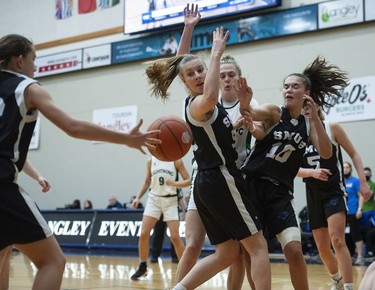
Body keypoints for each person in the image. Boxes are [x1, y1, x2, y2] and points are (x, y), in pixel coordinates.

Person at [0, 34, 160, 290]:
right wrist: (126, 139)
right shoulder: (27, 88)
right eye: (33, 59)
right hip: (3, 187)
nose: (35, 67)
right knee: (53, 261)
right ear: (20, 61)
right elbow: (73, 127)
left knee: (3, 255)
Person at [145, 20, 271, 290]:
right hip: (220, 177)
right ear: (185, 81)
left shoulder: (195, 100)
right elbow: (210, 94)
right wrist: (214, 53)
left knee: (227, 253)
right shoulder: (202, 103)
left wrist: (188, 29)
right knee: (258, 246)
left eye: (201, 70)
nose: (199, 76)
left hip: (207, 181)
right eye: (192, 74)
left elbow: (182, 64)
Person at [239, 56, 341, 290]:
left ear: (306, 92)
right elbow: (254, 115)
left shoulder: (308, 124)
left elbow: (326, 153)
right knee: (252, 252)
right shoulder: (275, 113)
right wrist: (245, 105)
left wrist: (315, 118)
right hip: (252, 186)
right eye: (286, 86)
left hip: (280, 193)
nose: (289, 90)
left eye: (295, 86)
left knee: (294, 251)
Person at [297, 95, 371, 289]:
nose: (306, 108)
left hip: (333, 191)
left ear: (317, 104)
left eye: (309, 104)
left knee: (337, 239)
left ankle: (348, 286)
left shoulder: (332, 127)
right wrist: (310, 172)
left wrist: (363, 183)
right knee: (322, 249)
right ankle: (337, 279)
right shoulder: (297, 134)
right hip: (312, 194)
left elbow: (354, 154)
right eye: (302, 105)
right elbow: (290, 169)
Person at [130, 156, 190, 281]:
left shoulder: (176, 160)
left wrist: (175, 183)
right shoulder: (151, 161)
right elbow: (147, 181)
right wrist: (138, 197)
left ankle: (187, 270)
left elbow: (188, 180)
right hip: (154, 199)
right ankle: (142, 267)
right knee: (144, 233)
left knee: (175, 237)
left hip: (171, 200)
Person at [0, 159, 51, 290]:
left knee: (5, 251)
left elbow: (19, 156)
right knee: (53, 261)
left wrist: (38, 176)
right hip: (6, 193)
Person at [150, 191, 186, 264]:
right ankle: (155, 256)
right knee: (158, 234)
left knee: (174, 236)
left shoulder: (175, 185)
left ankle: (175, 257)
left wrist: (183, 211)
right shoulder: (157, 185)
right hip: (160, 212)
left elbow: (180, 199)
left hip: (172, 211)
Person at [344, 161, 366, 266]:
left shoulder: (355, 181)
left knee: (355, 234)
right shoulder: (340, 181)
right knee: (341, 235)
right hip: (342, 212)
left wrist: (360, 209)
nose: (345, 169)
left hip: (353, 211)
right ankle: (344, 256)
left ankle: (360, 256)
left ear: (350, 169)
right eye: (343, 168)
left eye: (347, 167)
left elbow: (361, 195)